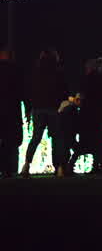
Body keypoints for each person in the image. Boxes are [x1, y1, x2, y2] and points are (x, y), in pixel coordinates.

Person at [21, 47, 66, 177]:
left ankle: (26, 165)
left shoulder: (36, 72)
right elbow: (63, 90)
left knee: (36, 138)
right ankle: (58, 167)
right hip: (53, 108)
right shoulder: (58, 72)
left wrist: (29, 107)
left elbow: (30, 91)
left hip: (38, 108)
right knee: (57, 138)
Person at [72, 58, 102, 173]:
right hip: (97, 114)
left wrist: (76, 101)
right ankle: (99, 165)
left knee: (84, 141)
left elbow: (82, 96)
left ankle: (71, 164)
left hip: (87, 114)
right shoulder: (100, 79)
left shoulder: (87, 79)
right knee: (98, 142)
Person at [0, 47, 21, 178]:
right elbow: (21, 90)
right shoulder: (15, 70)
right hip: (11, 109)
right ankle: (9, 169)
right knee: (10, 141)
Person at [53, 93, 81, 177]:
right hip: (67, 133)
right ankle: (66, 168)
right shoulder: (71, 109)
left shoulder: (65, 106)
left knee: (63, 151)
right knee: (71, 150)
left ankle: (62, 169)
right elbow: (72, 123)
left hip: (61, 132)